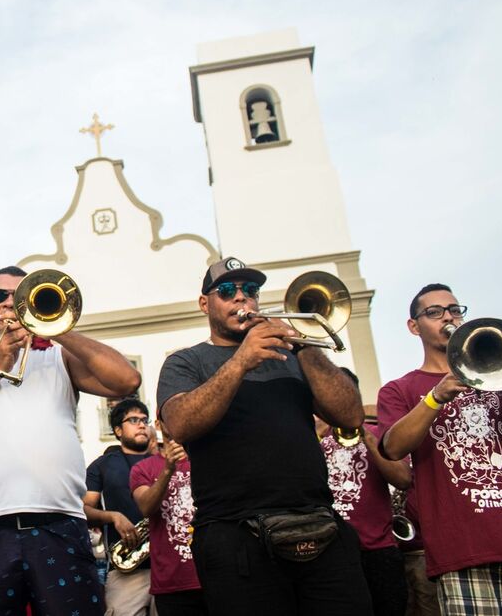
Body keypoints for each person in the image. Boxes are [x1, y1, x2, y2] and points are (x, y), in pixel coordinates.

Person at [0, 265, 140, 616]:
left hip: (60, 526)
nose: (9, 302)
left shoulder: (57, 357)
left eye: (18, 296)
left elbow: (126, 380)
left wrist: (55, 328)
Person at [157, 256, 372, 615]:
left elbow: (349, 415)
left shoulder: (294, 355)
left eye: (250, 290)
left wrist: (303, 345)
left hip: (319, 525)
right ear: (204, 303)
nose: (241, 298)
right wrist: (241, 361)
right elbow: (180, 424)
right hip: (235, 536)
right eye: (227, 290)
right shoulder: (186, 362)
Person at [378, 283, 502, 616]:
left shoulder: (499, 379)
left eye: (454, 310)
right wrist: (435, 396)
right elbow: (392, 447)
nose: (448, 317)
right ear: (413, 326)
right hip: (462, 548)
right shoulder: (400, 389)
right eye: (434, 312)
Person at [314, 370, 411, 616]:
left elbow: (402, 479)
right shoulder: (311, 438)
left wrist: (364, 433)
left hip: (379, 552)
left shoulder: (378, 433)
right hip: (330, 553)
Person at [83, 398, 154, 615]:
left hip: (172, 567)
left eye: (144, 419)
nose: (141, 424)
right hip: (128, 570)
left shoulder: (165, 461)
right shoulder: (102, 465)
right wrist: (113, 516)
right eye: (133, 420)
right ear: (117, 430)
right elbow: (83, 510)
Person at [131, 422, 206, 616]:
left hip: (215, 575)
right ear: (158, 423)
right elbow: (146, 507)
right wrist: (168, 469)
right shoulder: (142, 468)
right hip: (173, 585)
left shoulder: (206, 460)